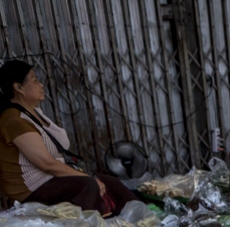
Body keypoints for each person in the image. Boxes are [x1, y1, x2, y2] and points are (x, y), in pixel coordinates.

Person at [0, 60, 136, 216]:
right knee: (88, 185)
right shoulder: (14, 120)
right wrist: (87, 177)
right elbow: (47, 164)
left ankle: (143, 224)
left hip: (51, 179)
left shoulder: (35, 112)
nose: (41, 85)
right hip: (32, 188)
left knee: (111, 183)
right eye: (35, 80)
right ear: (18, 88)